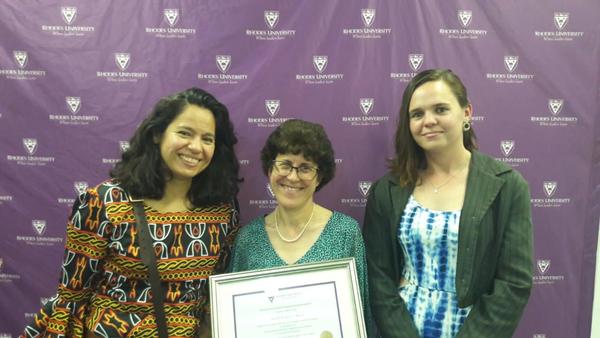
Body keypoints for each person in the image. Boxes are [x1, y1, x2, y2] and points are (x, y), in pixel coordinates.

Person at [21, 88, 241, 338]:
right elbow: (73, 297)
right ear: (158, 134)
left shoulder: (222, 211)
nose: (195, 147)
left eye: (207, 139)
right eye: (184, 133)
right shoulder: (103, 202)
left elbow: (214, 293)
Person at [363, 69, 533, 338]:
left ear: (466, 113)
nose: (428, 121)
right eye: (417, 114)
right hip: (404, 329)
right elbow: (379, 278)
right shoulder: (387, 190)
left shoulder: (507, 186)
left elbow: (514, 283)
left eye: (440, 109)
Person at [228, 119, 374, 336]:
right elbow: (235, 319)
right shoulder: (248, 238)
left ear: (319, 177)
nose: (293, 177)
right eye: (285, 164)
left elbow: (361, 316)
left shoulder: (345, 232)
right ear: (270, 170)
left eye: (305, 168)